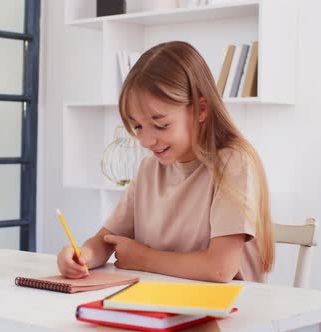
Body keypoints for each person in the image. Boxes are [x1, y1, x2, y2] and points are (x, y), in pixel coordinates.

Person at [57, 41, 274, 283]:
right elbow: (106, 240)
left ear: (201, 110)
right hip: (163, 304)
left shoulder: (234, 163)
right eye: (137, 126)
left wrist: (145, 258)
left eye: (161, 125)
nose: (146, 140)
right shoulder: (149, 169)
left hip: (228, 312)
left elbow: (220, 269)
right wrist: (82, 256)